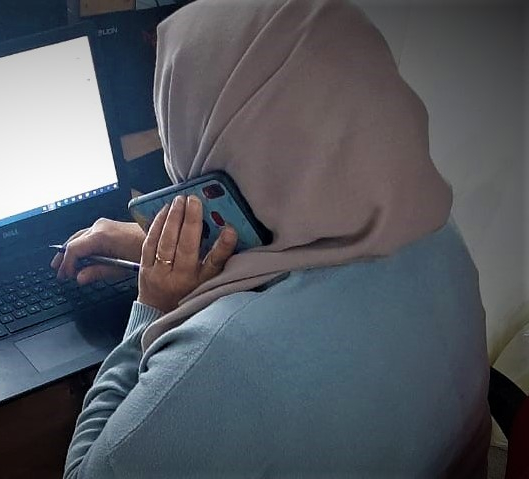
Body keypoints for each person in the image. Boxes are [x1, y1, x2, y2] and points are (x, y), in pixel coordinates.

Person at [51, 0, 491, 477]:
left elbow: (84, 472)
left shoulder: (223, 355)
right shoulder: (434, 229)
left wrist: (153, 305)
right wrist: (161, 246)